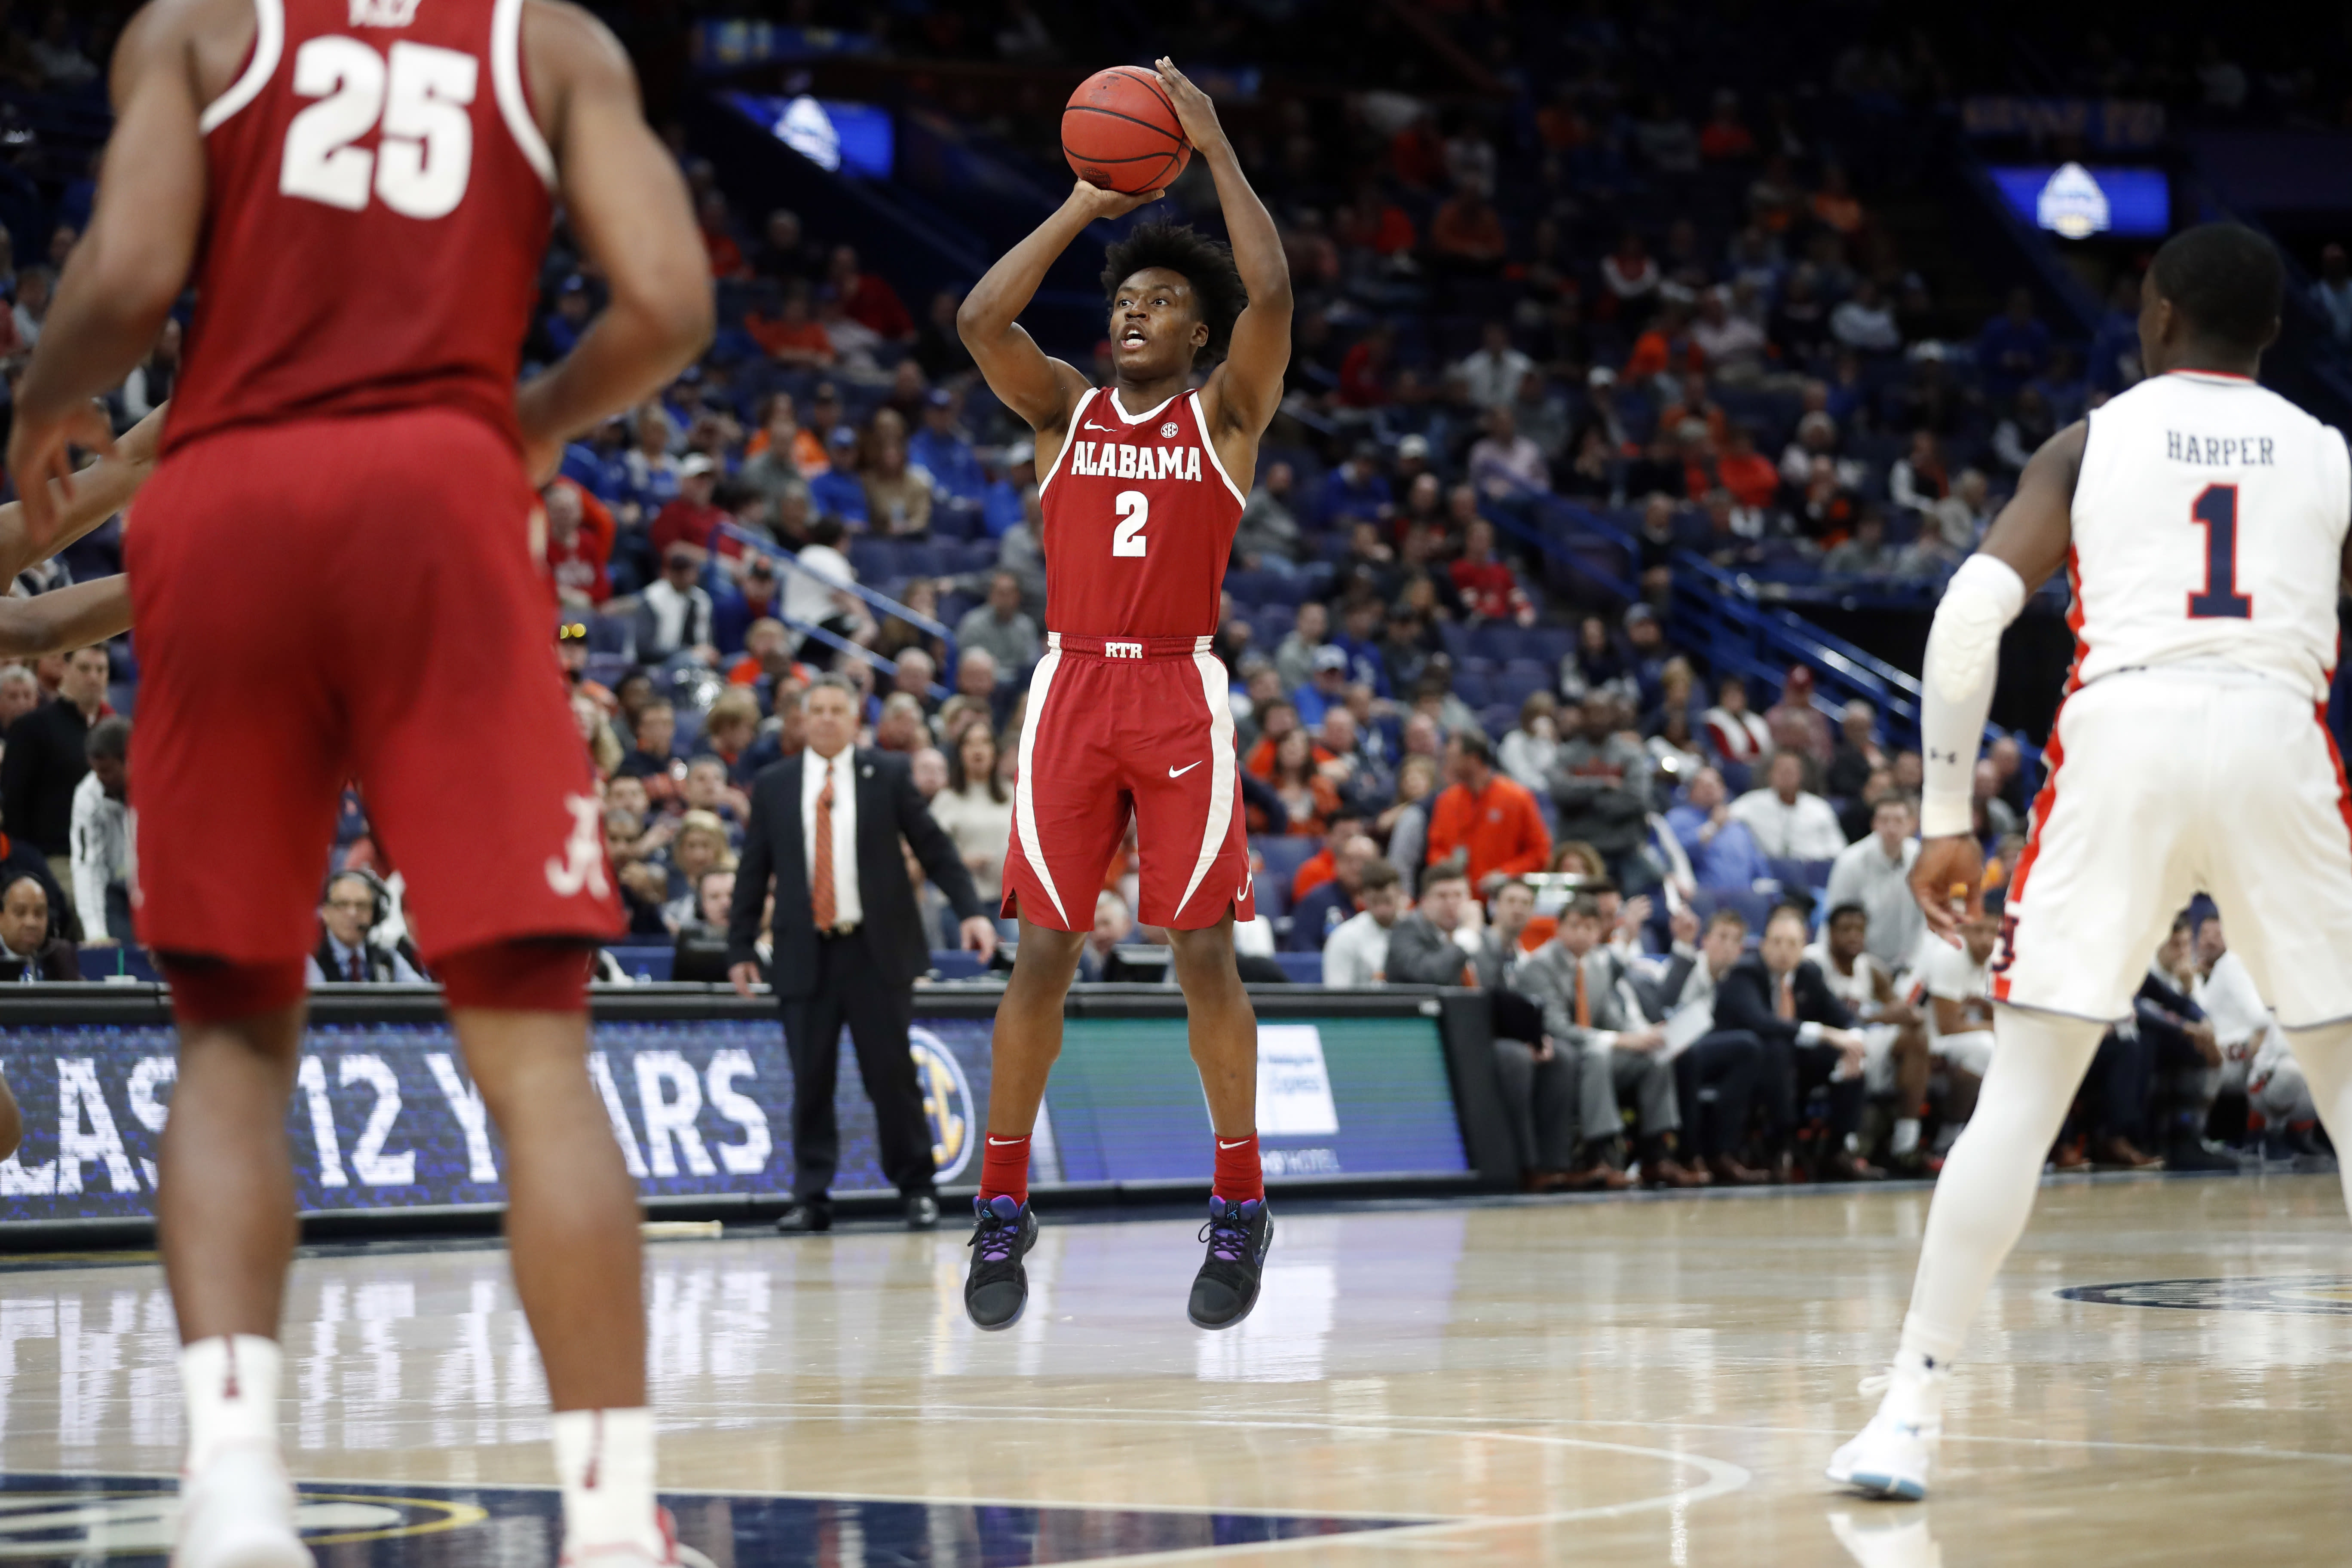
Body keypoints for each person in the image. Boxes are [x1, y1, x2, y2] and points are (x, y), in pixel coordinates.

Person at [5, 0, 715, 1559]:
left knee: (233, 1050)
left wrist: (52, 394)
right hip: (440, 499)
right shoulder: (553, 42)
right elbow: (666, 301)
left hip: (229, 494)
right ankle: (610, 1523)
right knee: (536, 1061)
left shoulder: (193, 30)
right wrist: (516, 425)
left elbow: (123, 279)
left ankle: (239, 1493)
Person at [1829, 224, 2352, 1501]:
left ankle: (1907, 1410)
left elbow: (1967, 615)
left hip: (2127, 733)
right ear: (2274, 334)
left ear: (2158, 314)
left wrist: (1947, 811)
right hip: (2279, 732)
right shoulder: (2331, 454)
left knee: (2025, 1091)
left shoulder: (2096, 438)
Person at [953, 59, 1292, 1332]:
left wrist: (1209, 147)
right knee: (1043, 950)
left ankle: (1240, 1196)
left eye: (1162, 303)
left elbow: (1270, 288)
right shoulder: (1064, 413)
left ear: (1200, 335)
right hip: (1071, 686)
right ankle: (998, 1204)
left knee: (1199, 949)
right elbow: (985, 322)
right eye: (1129, 301)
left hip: (1178, 694)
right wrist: (1080, 213)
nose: (1137, 314)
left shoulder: (1228, 416)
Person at [727, 676, 995, 1233]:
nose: (826, 719)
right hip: (805, 951)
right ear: (801, 719)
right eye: (816, 710)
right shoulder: (775, 784)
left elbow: (934, 846)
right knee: (810, 1079)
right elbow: (755, 870)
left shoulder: (888, 775)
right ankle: (811, 1196)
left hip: (876, 951)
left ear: (855, 719)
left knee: (892, 1074)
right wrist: (739, 944)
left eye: (836, 710)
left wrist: (970, 910)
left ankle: (917, 1187)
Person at [1516, 895, 1703, 1189]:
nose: (1582, 933)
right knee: (1599, 1053)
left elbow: (1612, 1017)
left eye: (1590, 927)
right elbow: (1556, 1027)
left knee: (1654, 1057)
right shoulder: (1538, 966)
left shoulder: (1598, 965)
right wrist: (1619, 1040)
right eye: (1575, 925)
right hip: (1563, 1053)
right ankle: (1600, 1154)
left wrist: (1645, 1036)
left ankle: (1657, 1154)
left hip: (1595, 1051)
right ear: (1559, 928)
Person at [1715, 906, 1883, 1185]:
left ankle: (1838, 1149)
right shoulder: (1745, 972)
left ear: (1803, 947)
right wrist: (1825, 1034)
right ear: (1764, 944)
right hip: (1748, 1065)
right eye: (1777, 942)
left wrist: (1854, 1042)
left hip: (1797, 1065)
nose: (1784, 951)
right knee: (1779, 1049)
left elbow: (1844, 1018)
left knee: (1847, 1054)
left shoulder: (1808, 973)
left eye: (1792, 944)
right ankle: (1782, 1148)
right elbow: (1763, 1023)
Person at [1642, 907, 1771, 1185]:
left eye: (1735, 941)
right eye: (1722, 937)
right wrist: (1683, 948)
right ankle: (1693, 1154)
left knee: (1752, 1051)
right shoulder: (1685, 965)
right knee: (1733, 1048)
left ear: (1741, 950)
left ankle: (1723, 1149)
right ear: (1705, 941)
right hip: (1670, 1048)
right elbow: (1661, 1004)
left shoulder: (1738, 981)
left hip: (1705, 1051)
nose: (1727, 946)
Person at [1809, 903, 1932, 1170]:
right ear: (1829, 933)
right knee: (1855, 1047)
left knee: (1917, 1038)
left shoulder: (1872, 968)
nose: (1854, 936)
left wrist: (1901, 1014)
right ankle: (1850, 1145)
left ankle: (1905, 1143)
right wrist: (1876, 1017)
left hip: (1861, 1040)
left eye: (1859, 930)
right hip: (1824, 1043)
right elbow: (1814, 1016)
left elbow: (1904, 1011)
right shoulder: (1814, 962)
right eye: (1846, 929)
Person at [0, 643, 112, 903]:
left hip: (108, 861)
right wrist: (27, 867)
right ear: (65, 669)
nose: (94, 677)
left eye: (101, 670)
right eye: (85, 668)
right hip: (55, 860)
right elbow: (14, 805)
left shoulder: (113, 733)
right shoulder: (33, 727)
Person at [1425, 731, 1552, 898]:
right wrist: (1445, 867)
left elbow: (1540, 852)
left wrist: (1506, 874)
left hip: (1501, 900)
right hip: (1457, 900)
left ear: (1473, 759)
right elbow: (1435, 848)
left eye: (1453, 758)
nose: (1448, 764)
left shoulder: (1517, 798)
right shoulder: (1447, 800)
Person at [1825, 794, 1926, 974]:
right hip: (1860, 964)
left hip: (1909, 964)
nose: (1891, 828)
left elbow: (1927, 918)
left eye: (1898, 821)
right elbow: (1836, 918)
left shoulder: (1922, 860)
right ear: (1874, 824)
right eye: (1885, 820)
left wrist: (1915, 963)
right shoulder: (1850, 861)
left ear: (1912, 825)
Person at [928, 722, 1016, 908]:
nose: (978, 750)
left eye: (985, 742)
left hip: (1007, 900)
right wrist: (963, 862)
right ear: (961, 752)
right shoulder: (946, 799)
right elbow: (931, 851)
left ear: (995, 751)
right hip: (960, 902)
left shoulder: (1013, 795)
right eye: (970, 743)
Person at [69, 714, 133, 945]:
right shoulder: (88, 796)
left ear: (130, 762)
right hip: (115, 890)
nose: (99, 778)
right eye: (95, 770)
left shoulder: (160, 789)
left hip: (160, 891)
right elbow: (87, 866)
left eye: (106, 771)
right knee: (119, 959)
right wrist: (95, 933)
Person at [303, 871, 426, 986]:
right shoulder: (311, 961)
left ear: (375, 914)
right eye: (342, 904)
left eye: (362, 905)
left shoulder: (388, 959)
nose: (352, 913)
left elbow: (424, 998)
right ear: (325, 912)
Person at [1729, 750, 1847, 861]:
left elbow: (1838, 848)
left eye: (1791, 771)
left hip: (1814, 867)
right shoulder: (1752, 803)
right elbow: (1725, 816)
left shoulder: (1819, 808)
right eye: (1781, 771)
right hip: (1774, 870)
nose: (1786, 776)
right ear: (1770, 775)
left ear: (1801, 776)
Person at [1321, 860, 1403, 987]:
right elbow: (1336, 994)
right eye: (1375, 902)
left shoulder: (1417, 933)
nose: (1382, 910)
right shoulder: (1344, 938)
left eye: (1387, 901)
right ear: (1363, 898)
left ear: (1400, 894)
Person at [0, 870, 80, 981]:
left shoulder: (61, 956)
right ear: (1, 917)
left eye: (39, 913)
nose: (31, 923)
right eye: (20, 913)